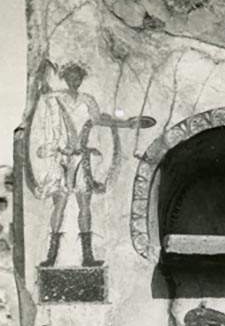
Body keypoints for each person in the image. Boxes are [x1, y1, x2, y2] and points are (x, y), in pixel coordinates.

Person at [33, 62, 155, 267]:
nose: (74, 80)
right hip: (62, 158)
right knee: (59, 205)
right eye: (71, 76)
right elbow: (43, 94)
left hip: (81, 159)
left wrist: (127, 124)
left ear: (81, 79)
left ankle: (87, 256)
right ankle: (51, 256)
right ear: (65, 78)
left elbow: (98, 120)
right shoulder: (55, 97)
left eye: (78, 77)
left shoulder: (87, 99)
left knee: (85, 206)